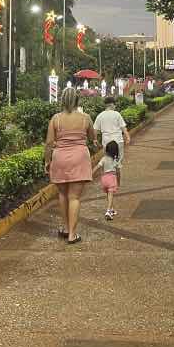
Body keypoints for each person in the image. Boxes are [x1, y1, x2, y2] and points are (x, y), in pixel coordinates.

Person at [45, 87, 96, 244]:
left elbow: (49, 143)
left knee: (62, 194)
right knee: (74, 197)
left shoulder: (56, 119)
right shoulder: (85, 118)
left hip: (60, 157)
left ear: (62, 100)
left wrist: (47, 161)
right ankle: (72, 235)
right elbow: (92, 137)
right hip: (79, 157)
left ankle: (66, 228)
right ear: (77, 101)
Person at [92, 96, 131, 220]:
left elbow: (95, 130)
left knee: (107, 160)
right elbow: (123, 128)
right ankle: (116, 183)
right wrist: (127, 136)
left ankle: (107, 180)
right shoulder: (117, 114)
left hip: (107, 142)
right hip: (118, 142)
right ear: (112, 104)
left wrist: (94, 140)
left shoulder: (100, 115)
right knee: (117, 164)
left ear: (105, 105)